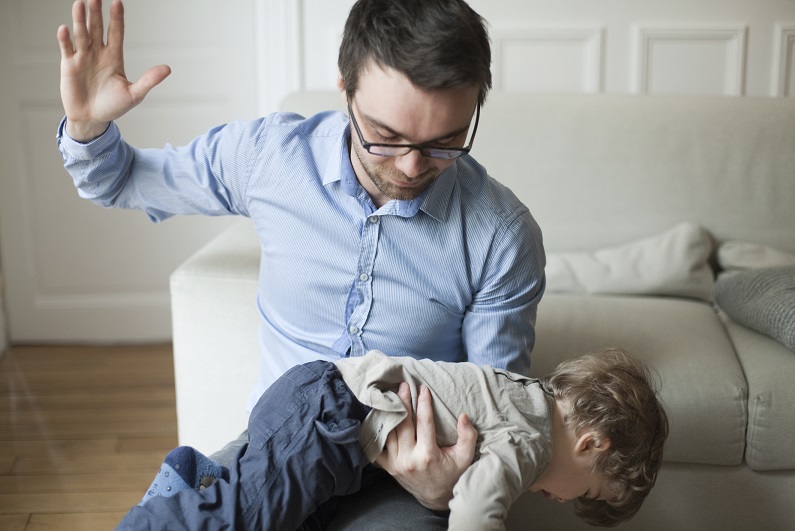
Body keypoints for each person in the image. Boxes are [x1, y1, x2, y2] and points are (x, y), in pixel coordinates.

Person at [56, 0, 546, 527]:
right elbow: (120, 181)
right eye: (385, 136)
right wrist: (88, 127)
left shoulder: (503, 235)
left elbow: (499, 407)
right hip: (275, 448)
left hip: (402, 482)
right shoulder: (269, 156)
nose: (410, 165)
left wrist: (444, 488)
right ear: (345, 86)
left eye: (444, 142)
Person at [116, 348, 669, 530]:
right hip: (328, 414)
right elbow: (477, 507)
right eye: (587, 492)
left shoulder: (525, 396)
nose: (561, 500)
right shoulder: (532, 438)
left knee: (289, 521)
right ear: (592, 444)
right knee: (246, 518)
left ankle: (196, 478)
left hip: (333, 430)